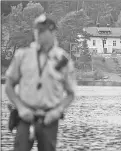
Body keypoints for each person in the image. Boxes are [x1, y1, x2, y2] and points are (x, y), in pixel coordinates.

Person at [5, 14, 75, 151]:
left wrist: (57, 111)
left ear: (53, 32)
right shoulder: (23, 55)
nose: (38, 34)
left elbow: (71, 94)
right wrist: (20, 107)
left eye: (43, 31)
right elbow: (8, 86)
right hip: (25, 117)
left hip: (49, 119)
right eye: (37, 30)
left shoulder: (63, 59)